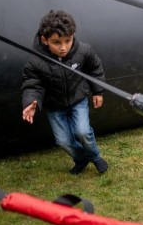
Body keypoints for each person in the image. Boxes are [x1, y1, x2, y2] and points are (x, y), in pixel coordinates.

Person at [21, 10, 109, 175]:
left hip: (78, 99)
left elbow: (95, 68)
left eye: (68, 41)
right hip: (54, 105)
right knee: (63, 141)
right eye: (56, 42)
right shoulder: (35, 61)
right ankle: (81, 159)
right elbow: (32, 85)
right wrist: (30, 102)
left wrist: (98, 91)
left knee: (83, 132)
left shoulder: (83, 50)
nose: (63, 48)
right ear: (45, 40)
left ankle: (95, 157)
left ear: (73, 35)